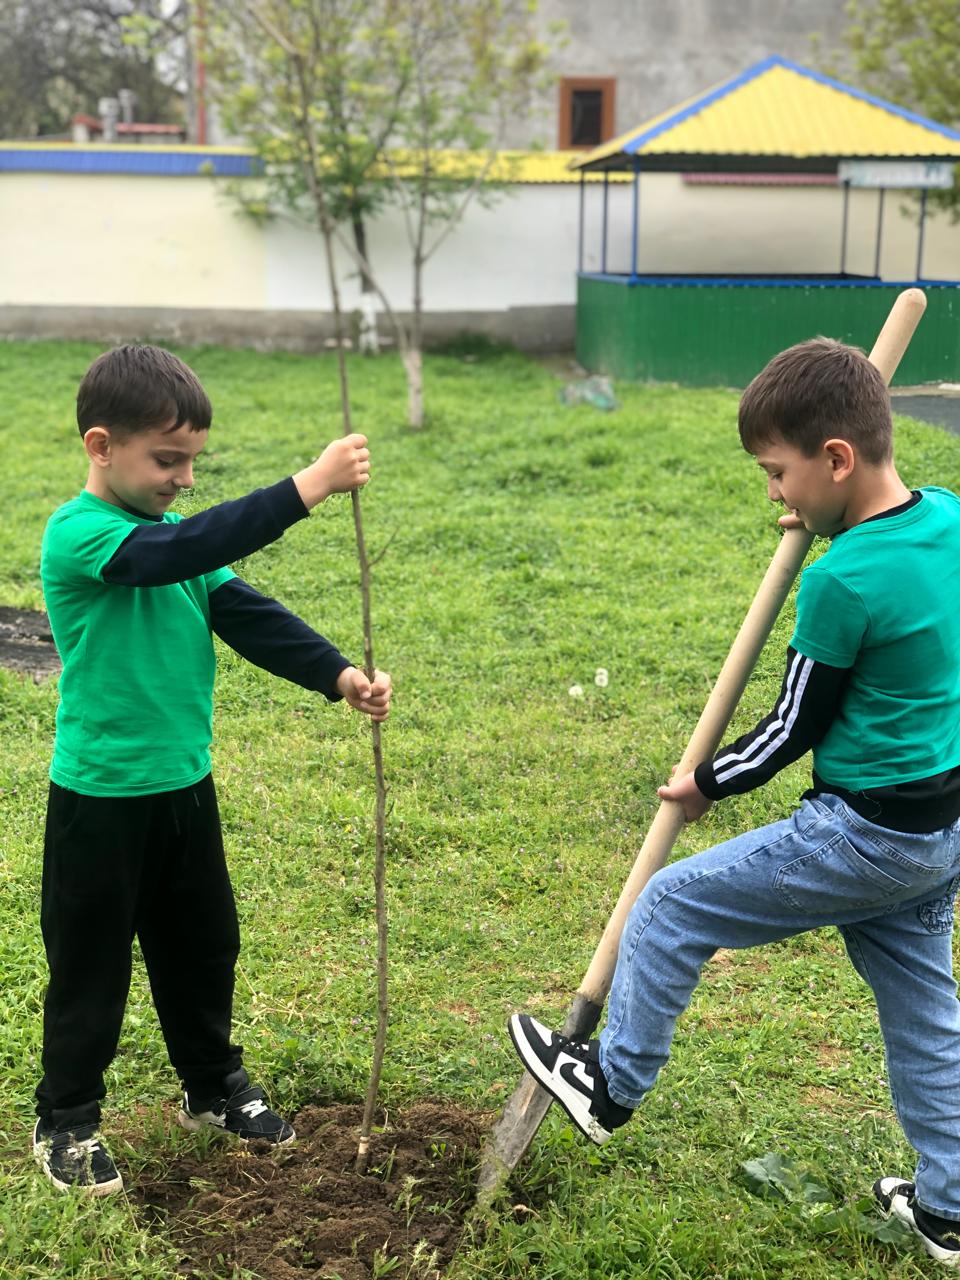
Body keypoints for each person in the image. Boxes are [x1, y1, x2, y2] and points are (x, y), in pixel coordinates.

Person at [509, 338, 960, 1268]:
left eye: (778, 473)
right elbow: (901, 596)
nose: (774, 496)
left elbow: (792, 724)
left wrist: (706, 781)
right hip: (938, 833)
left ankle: (609, 1088)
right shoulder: (949, 520)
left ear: (836, 458)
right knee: (926, 1017)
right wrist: (831, 522)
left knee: (670, 904)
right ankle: (952, 1205)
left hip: (865, 833)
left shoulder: (840, 579)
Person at [33, 344, 392, 1196]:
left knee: (203, 946)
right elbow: (173, 555)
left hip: (184, 789)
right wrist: (308, 486)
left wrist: (338, 674)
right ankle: (67, 1119)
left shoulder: (174, 540)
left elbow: (245, 611)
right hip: (99, 798)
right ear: (100, 446)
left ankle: (213, 1088)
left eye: (192, 461)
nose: (184, 479)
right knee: (91, 964)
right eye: (168, 460)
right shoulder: (83, 535)